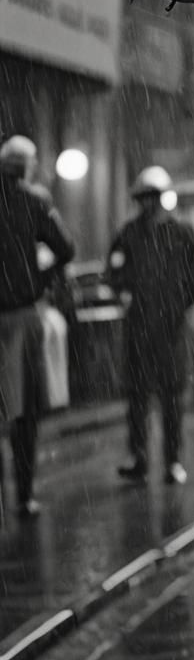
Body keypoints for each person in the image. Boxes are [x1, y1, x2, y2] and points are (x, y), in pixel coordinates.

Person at [108, 166, 194, 486]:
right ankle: (139, 455)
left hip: (171, 328)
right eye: (144, 198)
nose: (148, 204)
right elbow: (113, 271)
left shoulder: (180, 232)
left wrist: (178, 304)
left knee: (171, 397)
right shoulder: (130, 233)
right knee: (137, 397)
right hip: (139, 328)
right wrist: (126, 291)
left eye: (153, 198)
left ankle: (172, 459)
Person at [0, 135, 75, 517]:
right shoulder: (34, 202)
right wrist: (38, 273)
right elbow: (66, 248)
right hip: (24, 316)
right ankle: (24, 495)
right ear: (27, 168)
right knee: (24, 411)